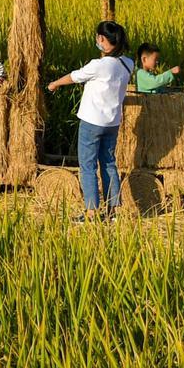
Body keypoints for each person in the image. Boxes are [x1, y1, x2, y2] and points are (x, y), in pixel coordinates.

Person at [49, 21, 135, 220]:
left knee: (88, 165)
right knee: (108, 163)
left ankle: (91, 212)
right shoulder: (127, 63)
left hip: (91, 122)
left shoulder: (98, 65)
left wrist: (55, 84)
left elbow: (74, 77)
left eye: (98, 37)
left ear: (102, 40)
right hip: (112, 123)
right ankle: (113, 211)